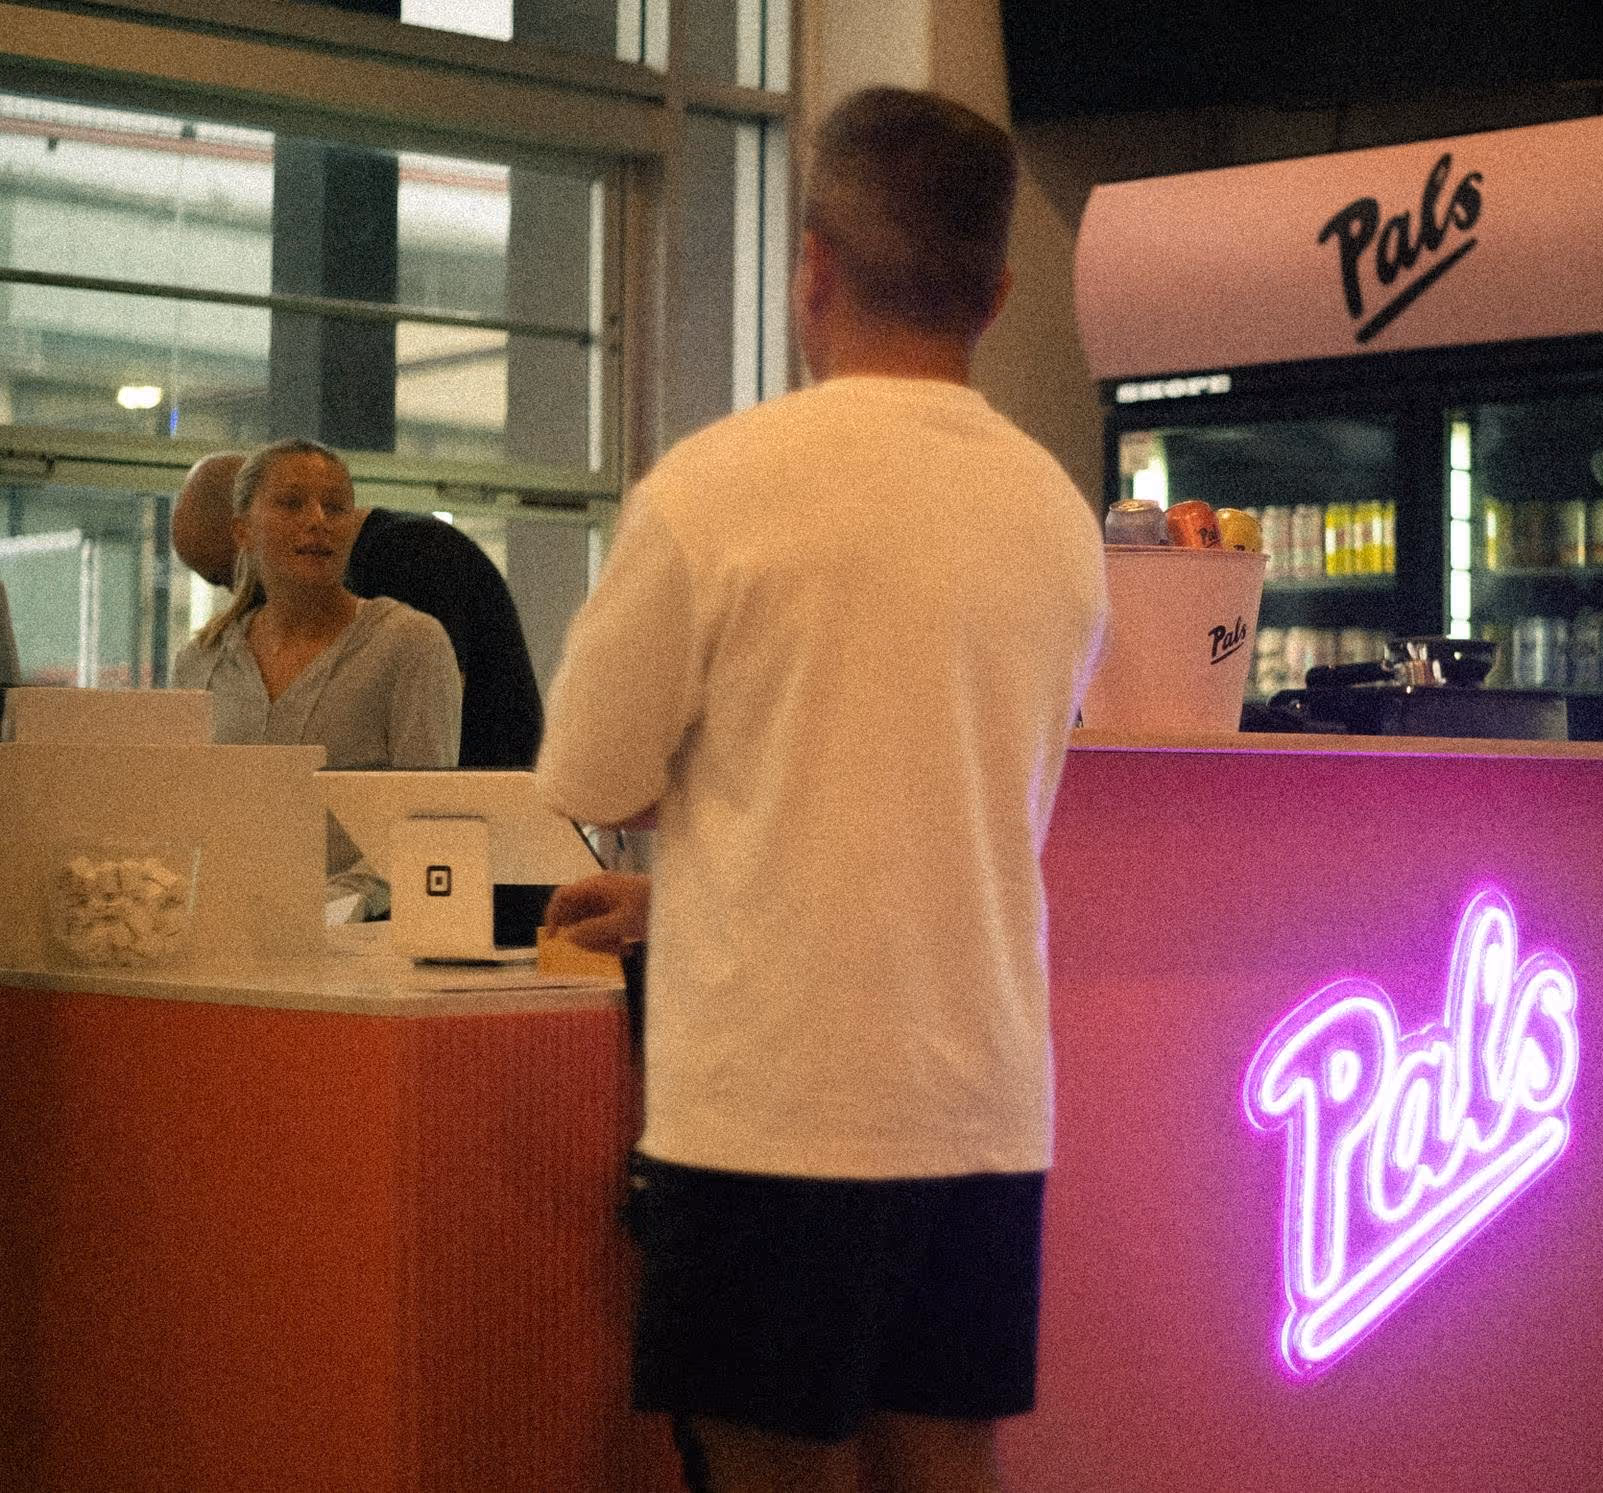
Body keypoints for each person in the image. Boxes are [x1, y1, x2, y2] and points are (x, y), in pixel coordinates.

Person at [537, 87, 1108, 1493]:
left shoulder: (716, 488)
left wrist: (706, 835)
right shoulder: (1056, 514)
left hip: (772, 1105)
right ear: (998, 291)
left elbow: (595, 771)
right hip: (980, 1099)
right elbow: (947, 804)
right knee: (945, 1463)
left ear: (812, 268)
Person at [170, 437, 461, 917]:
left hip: (366, 937)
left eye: (336, 506)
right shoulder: (201, 661)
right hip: (225, 927)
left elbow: (427, 818)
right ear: (242, 531)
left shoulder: (409, 643)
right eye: (291, 503)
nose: (317, 521)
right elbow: (185, 812)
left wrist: (330, 907)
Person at [172, 450, 543, 768]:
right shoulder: (214, 655)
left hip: (486, 807)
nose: (238, 592)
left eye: (226, 574)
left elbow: (432, 748)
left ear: (244, 536)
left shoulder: (416, 568)